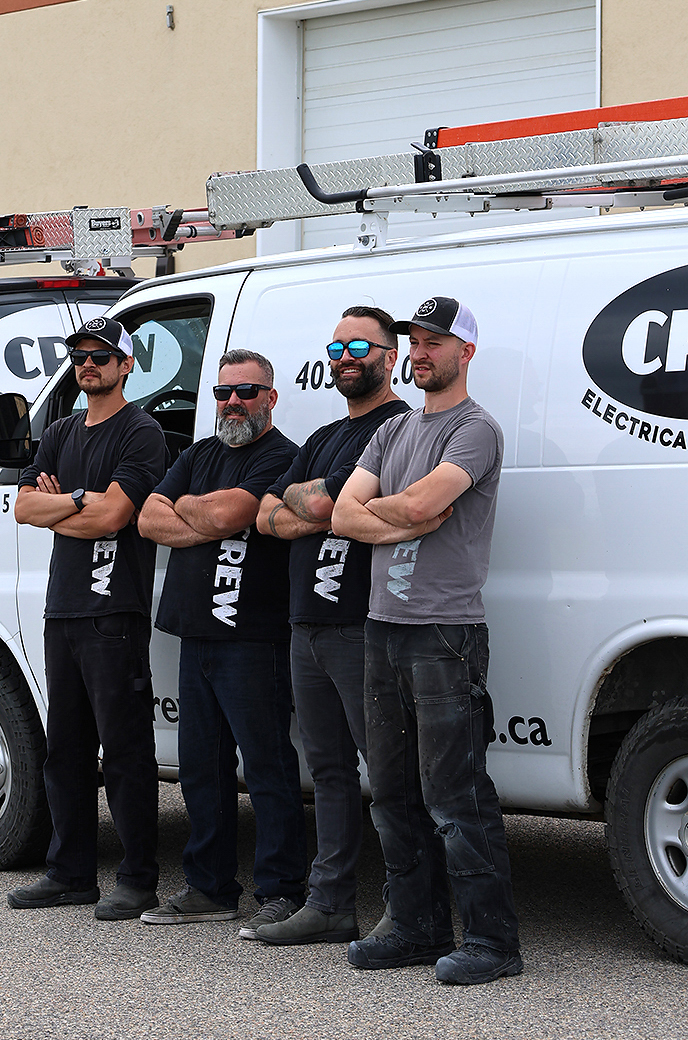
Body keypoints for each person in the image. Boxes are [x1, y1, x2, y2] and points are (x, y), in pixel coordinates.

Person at [332, 296, 521, 985]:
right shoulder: (393, 430)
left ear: (465, 352)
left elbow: (410, 503)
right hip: (383, 627)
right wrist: (408, 521)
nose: (420, 353)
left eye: (435, 343)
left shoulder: (477, 429)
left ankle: (493, 942)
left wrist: (392, 513)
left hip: (445, 634)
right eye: (414, 342)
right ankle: (416, 927)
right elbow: (344, 516)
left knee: (455, 794)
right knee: (391, 793)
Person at [252, 305, 409, 945]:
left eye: (358, 348)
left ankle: (408, 906)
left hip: (360, 623)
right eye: (336, 348)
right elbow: (268, 516)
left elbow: (324, 505)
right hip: (306, 624)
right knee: (328, 771)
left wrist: (315, 503)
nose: (344, 359)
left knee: (390, 772)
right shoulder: (321, 437)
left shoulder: (398, 429)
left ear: (390, 356)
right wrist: (315, 504)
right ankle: (331, 904)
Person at [136, 349, 306, 936]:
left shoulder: (283, 456)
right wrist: (204, 516)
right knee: (200, 768)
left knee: (267, 766)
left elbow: (234, 513)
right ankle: (210, 888)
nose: (232, 402)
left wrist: (192, 511)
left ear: (270, 398)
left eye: (246, 392)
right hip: (196, 634)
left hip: (254, 637)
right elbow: (147, 519)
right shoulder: (197, 454)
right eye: (222, 392)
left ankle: (282, 890)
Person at [6, 315, 168, 921]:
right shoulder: (61, 431)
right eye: (79, 355)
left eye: (101, 355)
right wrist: (78, 500)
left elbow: (114, 517)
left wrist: (64, 503)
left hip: (113, 612)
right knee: (65, 751)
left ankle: (137, 879)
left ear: (126, 365)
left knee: (125, 751)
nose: (88, 364)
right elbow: (23, 508)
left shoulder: (141, 433)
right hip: (64, 609)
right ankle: (69, 874)